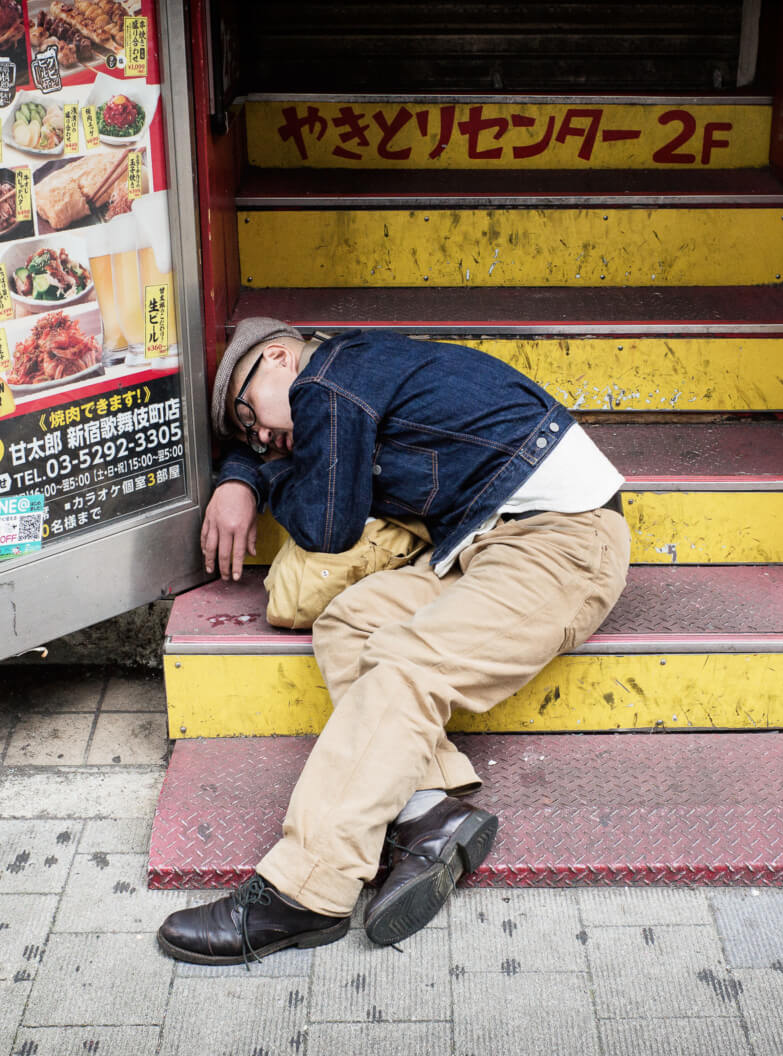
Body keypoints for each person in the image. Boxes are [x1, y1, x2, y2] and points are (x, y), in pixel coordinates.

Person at [156, 318, 630, 965]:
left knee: (406, 666)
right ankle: (430, 815)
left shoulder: (326, 383)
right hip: (485, 544)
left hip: (561, 543)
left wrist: (253, 475)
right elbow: (309, 476)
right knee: (352, 621)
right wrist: (244, 471)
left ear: (278, 357)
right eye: (249, 437)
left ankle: (304, 891)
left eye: (249, 417)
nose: (262, 437)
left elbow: (329, 524)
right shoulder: (350, 372)